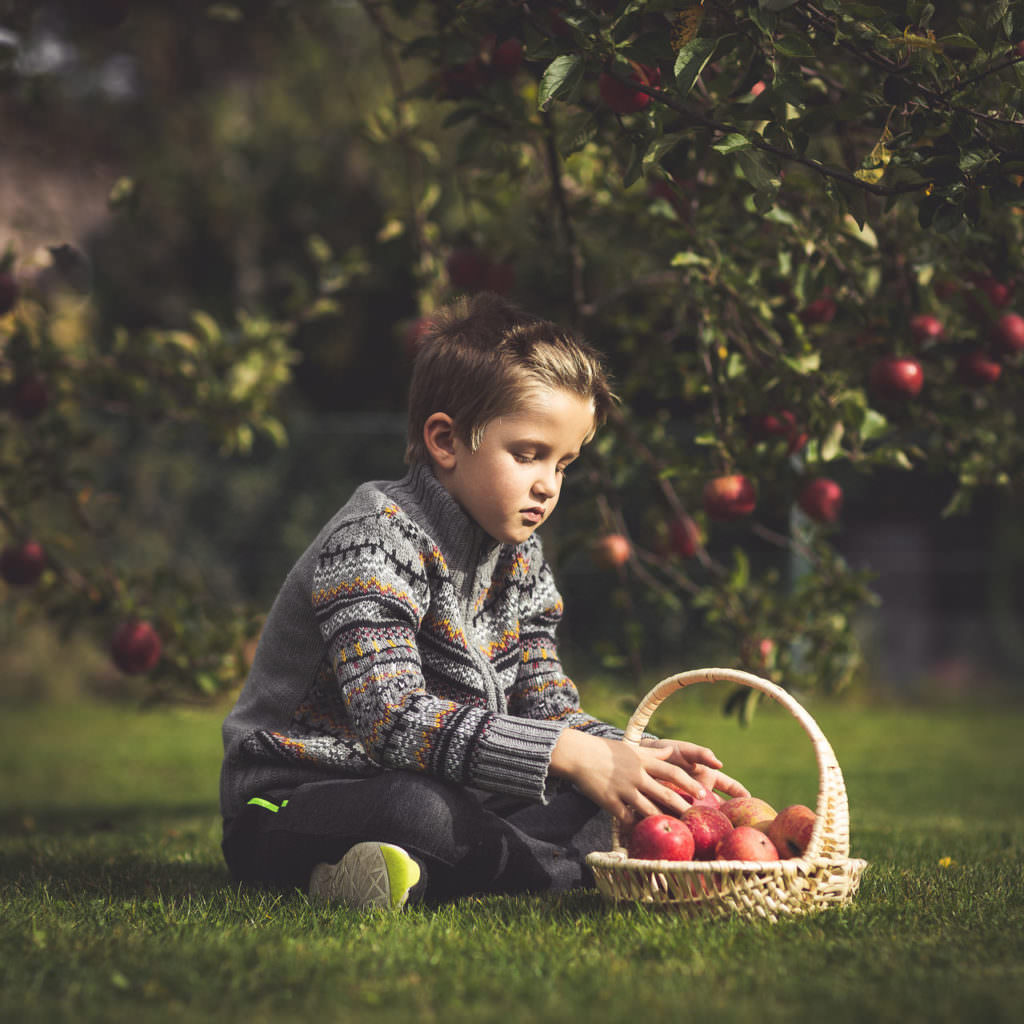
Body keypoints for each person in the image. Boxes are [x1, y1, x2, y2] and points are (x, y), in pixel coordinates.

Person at [219, 292, 748, 911]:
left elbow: (548, 710)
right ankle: (547, 869)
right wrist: (570, 754)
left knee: (592, 804)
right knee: (419, 812)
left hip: (451, 789)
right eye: (528, 454)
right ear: (445, 441)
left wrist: (631, 758)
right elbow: (391, 720)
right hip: (298, 801)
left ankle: (400, 875)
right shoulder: (372, 541)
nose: (548, 484)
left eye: (565, 462)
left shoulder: (520, 558)